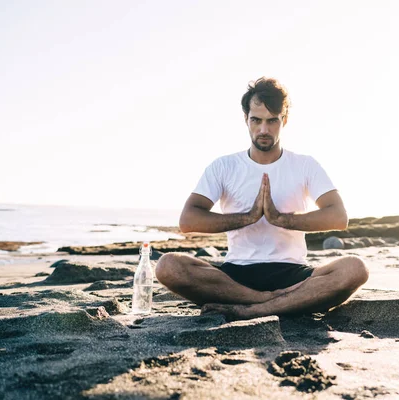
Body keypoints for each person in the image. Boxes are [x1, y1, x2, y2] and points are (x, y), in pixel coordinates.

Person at [155, 77, 369, 320]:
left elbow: (338, 217)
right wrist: (249, 217)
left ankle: (254, 310)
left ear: (284, 120)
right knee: (168, 266)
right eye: (256, 120)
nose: (263, 130)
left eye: (272, 121)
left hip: (292, 272)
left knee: (355, 268)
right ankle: (272, 302)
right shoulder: (224, 166)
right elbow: (188, 221)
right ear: (246, 119)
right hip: (235, 275)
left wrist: (280, 219)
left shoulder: (305, 165)